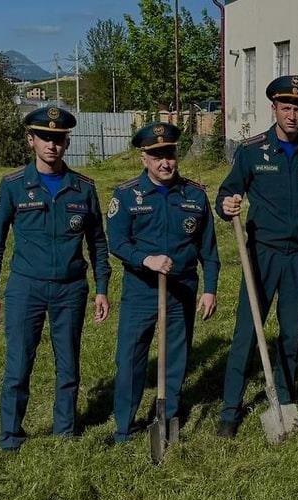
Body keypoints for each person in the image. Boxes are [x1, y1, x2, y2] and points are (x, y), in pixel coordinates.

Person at [0, 105, 110, 451]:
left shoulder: (83, 188)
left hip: (71, 289)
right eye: (44, 138)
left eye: (59, 138)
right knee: (19, 365)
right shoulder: (13, 186)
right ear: (31, 140)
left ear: (67, 142)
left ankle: (64, 432)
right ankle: (11, 436)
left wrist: (102, 289)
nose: (52, 145)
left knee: (68, 365)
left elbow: (98, 243)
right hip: (27, 287)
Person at [214, 75, 298, 437]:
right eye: (286, 107)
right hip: (261, 255)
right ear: (274, 109)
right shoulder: (252, 151)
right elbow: (227, 192)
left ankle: (285, 400)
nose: (292, 115)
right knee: (247, 333)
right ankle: (230, 411)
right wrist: (227, 205)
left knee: (291, 335)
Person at [106, 122, 219, 444]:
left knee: (175, 356)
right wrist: (146, 259)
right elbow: (117, 242)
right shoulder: (127, 195)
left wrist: (210, 289)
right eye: (157, 157)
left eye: (169, 154)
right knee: (130, 357)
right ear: (144, 158)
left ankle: (167, 417)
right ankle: (124, 426)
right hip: (141, 289)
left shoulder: (195, 195)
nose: (165, 163)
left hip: (181, 290)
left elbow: (209, 250)